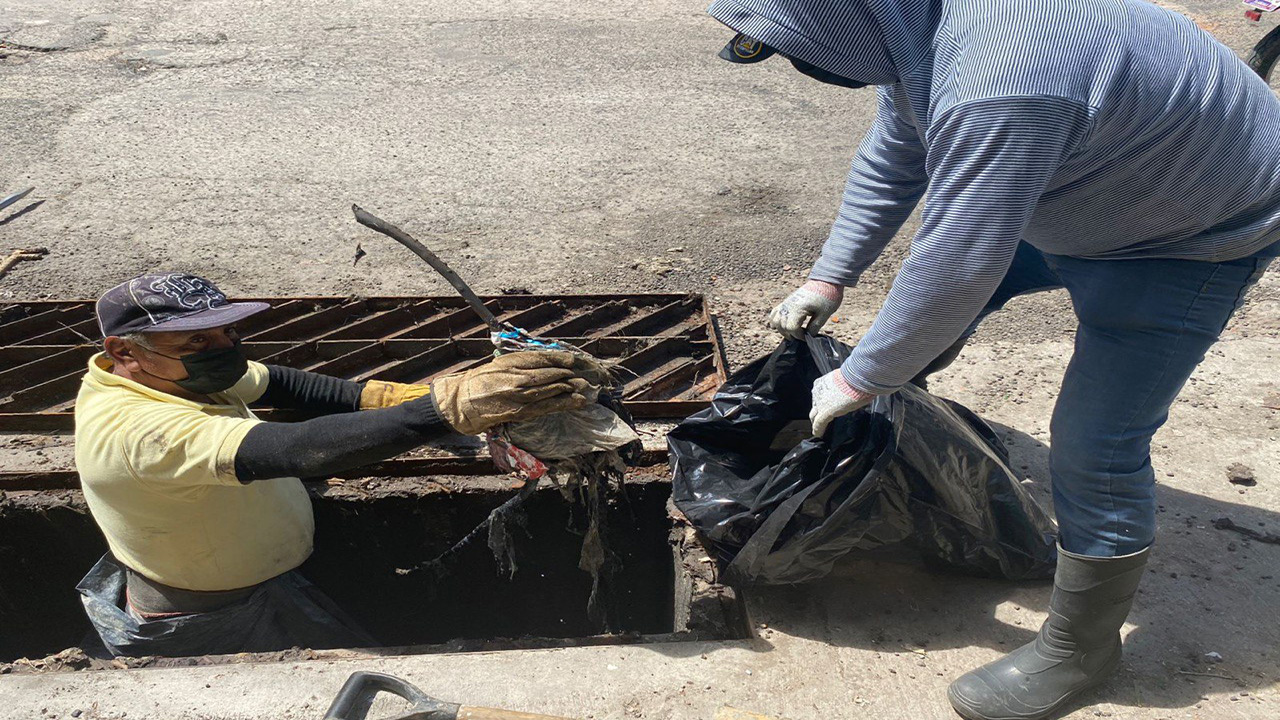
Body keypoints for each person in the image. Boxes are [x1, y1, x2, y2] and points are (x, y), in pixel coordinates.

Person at [710, 0, 1279, 718]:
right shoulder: (918, 25)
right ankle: (895, 446)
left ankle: (1082, 650)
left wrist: (862, 375)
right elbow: (899, 150)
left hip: (1183, 235)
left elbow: (958, 261)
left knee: (1095, 447)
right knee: (925, 319)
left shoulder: (1003, 80)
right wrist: (830, 275)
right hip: (1086, 180)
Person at [74, 272, 596, 657]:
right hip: (205, 618)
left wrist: (413, 397)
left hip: (267, 579)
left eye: (228, 334)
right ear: (123, 350)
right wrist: (447, 410)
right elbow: (297, 449)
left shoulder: (176, 371)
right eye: (198, 340)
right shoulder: (136, 430)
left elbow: (293, 385)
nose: (225, 349)